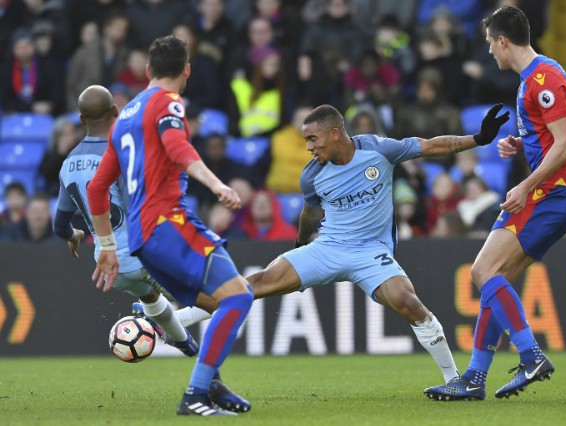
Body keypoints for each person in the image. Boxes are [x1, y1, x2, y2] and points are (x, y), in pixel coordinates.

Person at [245, 103, 510, 389]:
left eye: (312, 139)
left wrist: (478, 139)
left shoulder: (378, 150)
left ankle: (453, 380)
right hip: (329, 246)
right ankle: (187, 322)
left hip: (371, 251)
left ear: (334, 134)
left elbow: (429, 146)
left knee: (409, 302)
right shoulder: (311, 175)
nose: (308, 147)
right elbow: (310, 213)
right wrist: (299, 244)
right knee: (258, 282)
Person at [424, 5, 566, 402]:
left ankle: (531, 355)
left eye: (489, 44)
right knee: (493, 277)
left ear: (503, 41)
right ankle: (474, 378)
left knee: (483, 269)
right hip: (556, 189)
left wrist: (524, 185)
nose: (489, 53)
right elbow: (558, 137)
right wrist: (522, 144)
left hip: (554, 191)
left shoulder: (543, 77)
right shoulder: (532, 79)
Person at [86, 36, 253, 416]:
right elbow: (177, 145)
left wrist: (108, 247)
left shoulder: (124, 115)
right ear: (187, 71)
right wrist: (216, 184)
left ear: (147, 71)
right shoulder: (167, 102)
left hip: (143, 240)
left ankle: (211, 385)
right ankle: (195, 394)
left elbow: (98, 188)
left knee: (225, 300)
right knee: (240, 297)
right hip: (168, 223)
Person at [53, 85, 208, 360]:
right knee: (225, 293)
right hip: (145, 252)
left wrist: (73, 235)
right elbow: (139, 207)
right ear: (116, 111)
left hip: (110, 265)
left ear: (80, 119)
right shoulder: (123, 154)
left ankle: (185, 344)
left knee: (150, 298)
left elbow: (59, 226)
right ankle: (180, 328)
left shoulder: (67, 165)